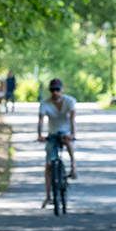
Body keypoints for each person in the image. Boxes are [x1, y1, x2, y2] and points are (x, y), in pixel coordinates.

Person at [37, 77, 77, 206]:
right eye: (52, 90)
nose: (55, 93)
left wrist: (72, 134)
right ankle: (48, 195)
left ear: (62, 90)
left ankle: (73, 167)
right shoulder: (45, 103)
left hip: (65, 133)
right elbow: (41, 120)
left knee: (68, 143)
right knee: (48, 165)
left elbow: (72, 119)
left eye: (57, 90)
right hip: (52, 134)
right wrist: (40, 135)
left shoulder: (69, 101)